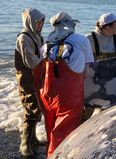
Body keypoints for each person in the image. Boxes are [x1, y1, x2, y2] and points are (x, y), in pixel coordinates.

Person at [33, 12, 94, 158]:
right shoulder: (82, 40)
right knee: (65, 130)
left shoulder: (46, 44)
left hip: (46, 92)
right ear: (71, 25)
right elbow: (87, 72)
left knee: (51, 127)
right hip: (68, 93)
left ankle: (49, 153)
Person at [14, 8, 45, 158]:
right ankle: (24, 143)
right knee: (31, 108)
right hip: (27, 79)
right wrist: (48, 63)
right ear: (30, 22)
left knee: (37, 108)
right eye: (37, 22)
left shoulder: (37, 36)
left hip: (37, 78)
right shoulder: (24, 38)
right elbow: (32, 62)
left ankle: (33, 138)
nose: (40, 25)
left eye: (41, 22)